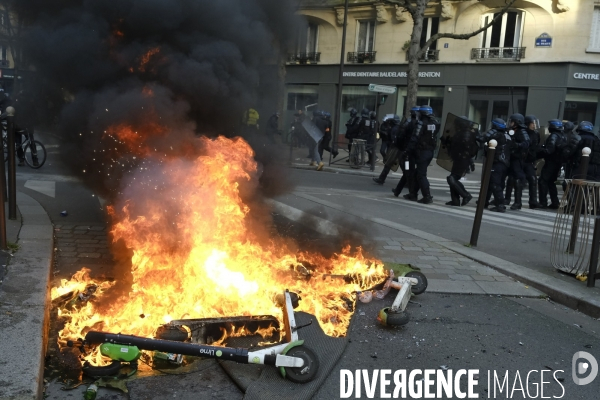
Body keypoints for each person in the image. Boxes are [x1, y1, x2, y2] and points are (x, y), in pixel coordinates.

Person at [405, 105, 440, 204]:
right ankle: (413, 194)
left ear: (422, 114)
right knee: (417, 173)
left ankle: (427, 196)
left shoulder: (421, 124)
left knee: (421, 175)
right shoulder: (435, 123)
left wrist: (407, 150)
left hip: (422, 152)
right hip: (430, 152)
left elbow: (414, 138)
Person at [479, 118, 512, 213]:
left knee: (494, 184)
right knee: (491, 183)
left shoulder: (496, 134)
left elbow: (482, 138)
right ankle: (484, 201)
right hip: (505, 163)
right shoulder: (507, 136)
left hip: (497, 162)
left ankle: (500, 205)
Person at [443, 116, 476, 206]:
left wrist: (470, 162)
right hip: (458, 159)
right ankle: (455, 200)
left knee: (452, 179)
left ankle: (466, 195)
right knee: (452, 178)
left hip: (462, 159)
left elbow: (466, 149)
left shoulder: (466, 133)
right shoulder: (461, 132)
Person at [538, 119, 567, 209]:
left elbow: (549, 150)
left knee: (543, 181)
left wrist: (540, 150)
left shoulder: (553, 136)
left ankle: (543, 202)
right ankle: (555, 202)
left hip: (551, 162)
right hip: (558, 162)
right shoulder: (563, 136)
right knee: (551, 182)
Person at [505, 114, 530, 210]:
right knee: (510, 178)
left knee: (517, 180)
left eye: (512, 121)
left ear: (517, 122)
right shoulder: (512, 131)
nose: (510, 123)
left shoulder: (522, 131)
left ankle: (517, 202)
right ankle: (507, 199)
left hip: (517, 158)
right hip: (511, 157)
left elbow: (527, 143)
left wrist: (516, 145)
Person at [523, 115, 543, 209]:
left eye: (535, 123)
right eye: (532, 123)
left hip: (530, 161)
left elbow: (536, 146)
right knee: (515, 181)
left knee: (533, 180)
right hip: (521, 160)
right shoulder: (522, 132)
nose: (534, 125)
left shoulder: (536, 134)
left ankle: (533, 201)